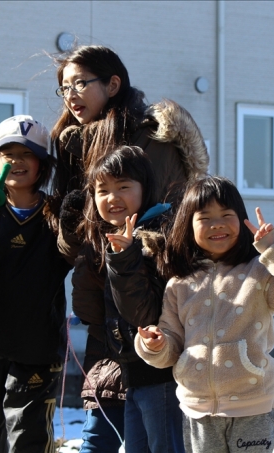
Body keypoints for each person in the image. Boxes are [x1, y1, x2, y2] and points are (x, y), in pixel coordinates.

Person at [51, 44, 209, 453]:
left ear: (113, 84)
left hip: (150, 318)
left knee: (151, 439)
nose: (71, 95)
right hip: (103, 316)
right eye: (64, 87)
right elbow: (73, 247)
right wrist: (70, 224)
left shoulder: (152, 138)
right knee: (99, 436)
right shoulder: (74, 146)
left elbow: (168, 228)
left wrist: (128, 251)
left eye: (80, 83)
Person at [135, 176, 274, 453]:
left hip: (253, 404)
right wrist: (155, 344)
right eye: (205, 218)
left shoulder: (259, 271)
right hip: (197, 408)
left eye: (226, 215)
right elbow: (172, 343)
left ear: (242, 219)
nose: (217, 224)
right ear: (188, 225)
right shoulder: (180, 283)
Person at [0, 115, 72, 453]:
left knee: (28, 437)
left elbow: (73, 252)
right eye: (8, 154)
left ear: (43, 165)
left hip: (37, 347)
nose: (16, 162)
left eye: (27, 154)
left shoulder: (55, 213)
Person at [81, 146, 185, 452]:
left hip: (160, 375)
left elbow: (144, 314)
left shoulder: (158, 236)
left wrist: (125, 257)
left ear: (145, 188)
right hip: (133, 374)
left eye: (123, 187)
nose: (112, 198)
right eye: (102, 190)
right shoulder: (120, 238)